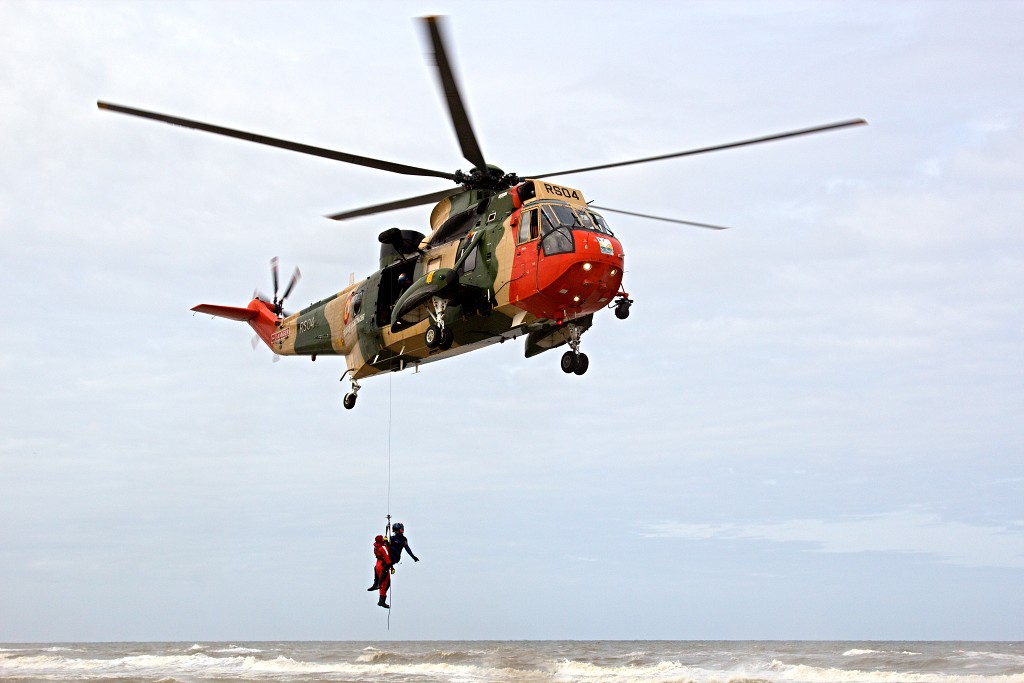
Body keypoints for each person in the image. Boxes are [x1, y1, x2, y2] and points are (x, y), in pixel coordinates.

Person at [367, 534, 391, 608]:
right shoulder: (382, 548)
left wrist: (386, 543)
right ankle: (382, 601)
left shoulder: (376, 548)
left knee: (381, 583)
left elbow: (385, 549)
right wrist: (391, 567)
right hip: (383, 566)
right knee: (385, 584)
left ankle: (376, 585)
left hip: (377, 564)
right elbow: (387, 557)